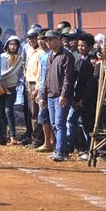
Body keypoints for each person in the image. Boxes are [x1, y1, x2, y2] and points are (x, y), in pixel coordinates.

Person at [40, 30, 75, 161]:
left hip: (61, 95)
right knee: (54, 124)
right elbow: (46, 77)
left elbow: (68, 78)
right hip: (50, 95)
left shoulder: (67, 55)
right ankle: (61, 150)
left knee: (60, 123)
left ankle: (60, 151)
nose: (48, 42)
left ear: (59, 39)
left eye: (51, 39)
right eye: (47, 40)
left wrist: (64, 95)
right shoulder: (49, 56)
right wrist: (43, 96)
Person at [0, 36, 24, 144]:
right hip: (0, 87)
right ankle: (4, 135)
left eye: (15, 45)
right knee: (1, 112)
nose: (12, 47)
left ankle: (13, 135)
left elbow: (12, 71)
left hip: (11, 87)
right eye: (10, 44)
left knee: (8, 111)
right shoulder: (1, 56)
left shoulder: (19, 58)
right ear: (7, 45)